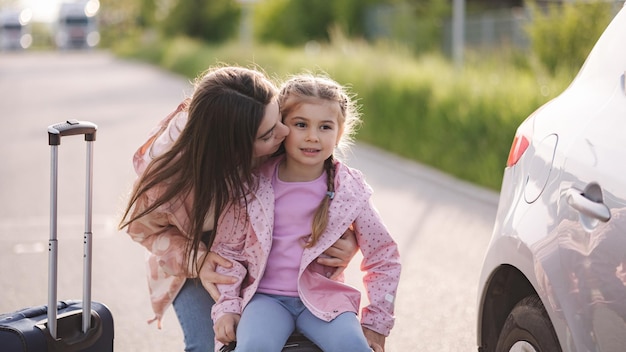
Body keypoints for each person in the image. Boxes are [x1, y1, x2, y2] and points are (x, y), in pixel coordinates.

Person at [118, 66, 359, 352]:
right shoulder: (170, 175)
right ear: (235, 149)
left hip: (264, 259)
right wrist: (197, 259)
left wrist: (352, 237)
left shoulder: (251, 109)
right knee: (206, 344)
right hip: (199, 252)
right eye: (269, 133)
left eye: (279, 117)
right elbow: (141, 229)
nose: (284, 132)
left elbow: (329, 185)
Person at [211, 73, 401, 352]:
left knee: (353, 347)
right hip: (266, 300)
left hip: (327, 300)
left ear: (339, 132)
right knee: (254, 347)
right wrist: (228, 306)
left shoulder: (350, 189)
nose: (312, 137)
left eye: (325, 127)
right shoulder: (254, 184)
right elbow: (228, 251)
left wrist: (376, 324)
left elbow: (383, 256)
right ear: (282, 128)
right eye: (301, 124)